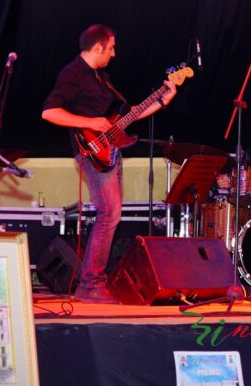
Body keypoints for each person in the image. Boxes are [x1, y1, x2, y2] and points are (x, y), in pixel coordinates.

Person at [42, 24, 176, 303]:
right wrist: (90, 122)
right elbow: (50, 112)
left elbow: (128, 116)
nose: (114, 54)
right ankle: (90, 284)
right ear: (98, 47)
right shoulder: (73, 73)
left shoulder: (101, 79)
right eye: (111, 47)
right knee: (109, 213)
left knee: (111, 213)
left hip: (111, 152)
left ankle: (92, 283)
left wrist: (163, 100)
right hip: (92, 151)